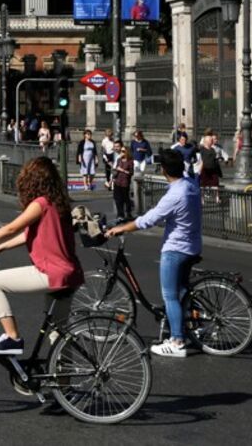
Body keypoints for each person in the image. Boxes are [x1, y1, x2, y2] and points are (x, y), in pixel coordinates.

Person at [0, 157, 84, 356]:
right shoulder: (58, 204)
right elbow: (30, 234)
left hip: (50, 272)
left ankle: (12, 337)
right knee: (58, 335)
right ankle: (63, 384)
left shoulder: (40, 203)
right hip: (70, 274)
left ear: (32, 180)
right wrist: (1, 247)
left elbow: (12, 227)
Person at [107, 149, 202, 358]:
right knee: (182, 290)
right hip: (193, 246)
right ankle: (188, 328)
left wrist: (121, 228)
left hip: (176, 249)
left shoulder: (175, 194)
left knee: (170, 296)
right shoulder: (191, 186)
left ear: (164, 170)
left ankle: (177, 341)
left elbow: (148, 220)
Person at [108, 145, 135, 222]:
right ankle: (120, 214)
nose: (121, 153)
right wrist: (112, 179)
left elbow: (131, 173)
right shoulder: (119, 160)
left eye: (123, 151)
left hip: (125, 182)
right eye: (121, 151)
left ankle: (128, 213)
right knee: (117, 199)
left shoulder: (130, 161)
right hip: (117, 181)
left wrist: (122, 170)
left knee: (126, 199)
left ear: (127, 152)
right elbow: (115, 169)